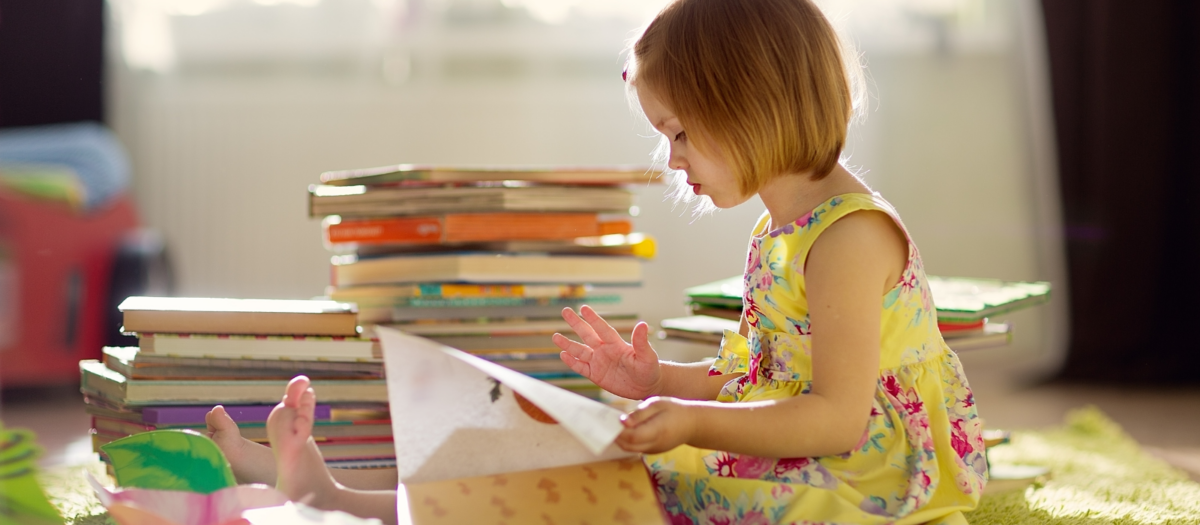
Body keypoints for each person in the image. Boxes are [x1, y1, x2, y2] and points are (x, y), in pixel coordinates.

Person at [208, 0, 987, 522]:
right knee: (583, 450)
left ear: (752, 108)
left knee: (607, 486)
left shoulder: (847, 240)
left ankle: (342, 500)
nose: (670, 157)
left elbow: (835, 413)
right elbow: (764, 379)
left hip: (865, 479)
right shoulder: (780, 231)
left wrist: (689, 417)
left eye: (681, 132)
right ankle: (334, 492)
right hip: (804, 440)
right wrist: (661, 384)